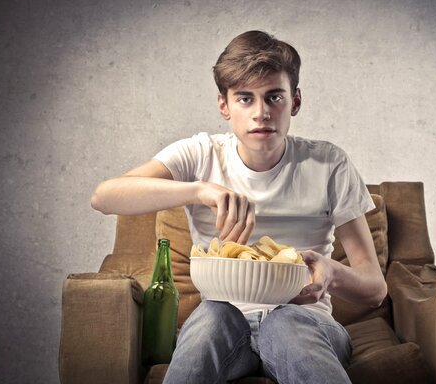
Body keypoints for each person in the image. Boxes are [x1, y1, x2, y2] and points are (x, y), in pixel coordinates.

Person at [91, 30, 387, 384]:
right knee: (214, 315)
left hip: (306, 322)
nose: (261, 113)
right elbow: (105, 196)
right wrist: (200, 190)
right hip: (223, 322)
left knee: (286, 322)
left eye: (273, 97)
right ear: (224, 106)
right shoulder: (201, 154)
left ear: (295, 101)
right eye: (245, 99)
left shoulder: (328, 163)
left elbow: (375, 289)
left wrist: (332, 272)